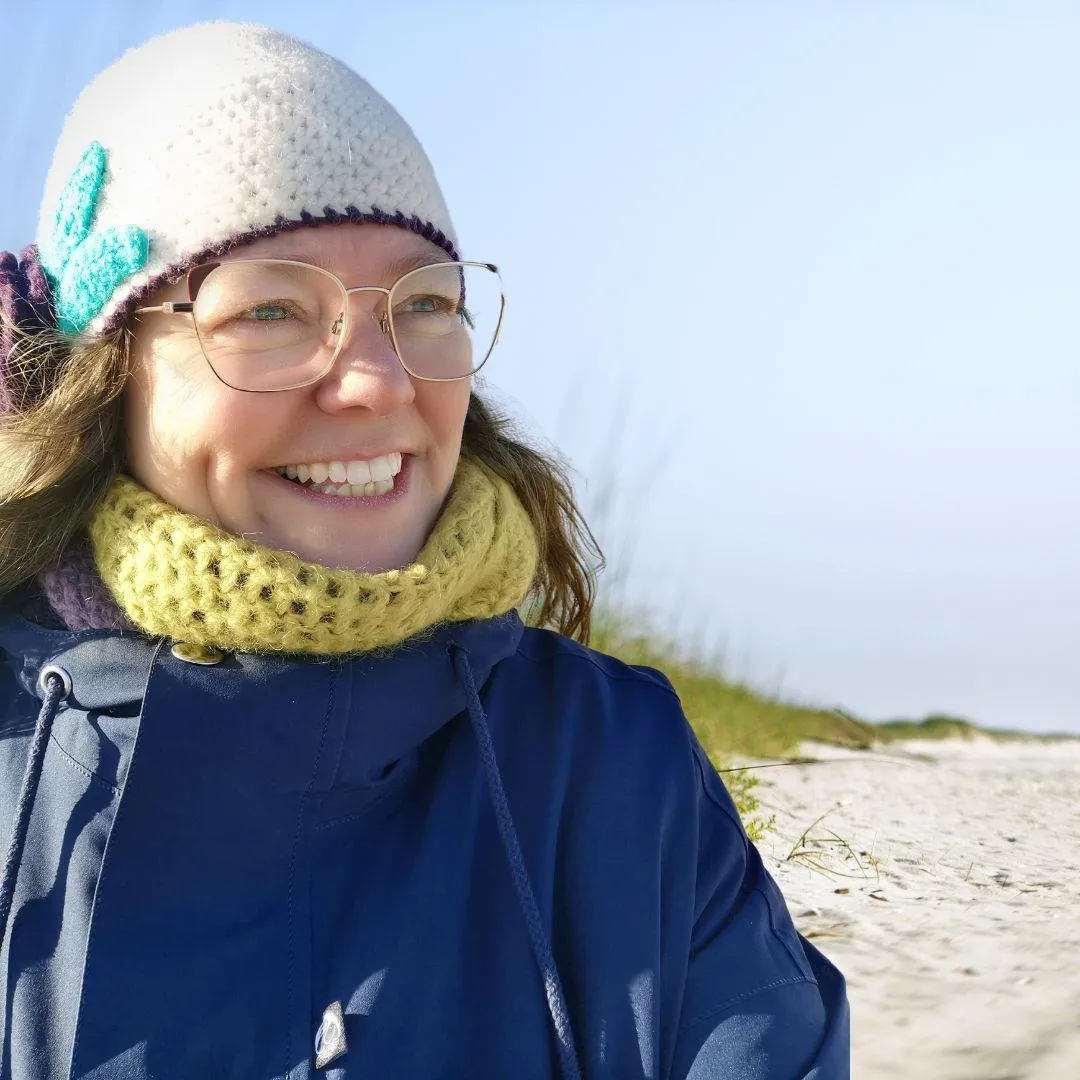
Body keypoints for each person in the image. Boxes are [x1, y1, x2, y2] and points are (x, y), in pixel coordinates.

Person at [0, 21, 849, 1079]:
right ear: (105, 375)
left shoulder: (614, 766)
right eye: (272, 308)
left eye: (427, 303)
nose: (381, 381)